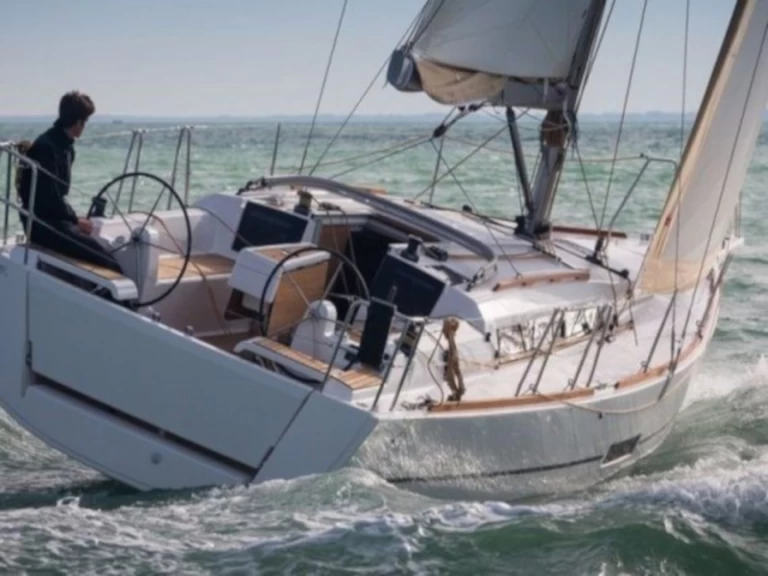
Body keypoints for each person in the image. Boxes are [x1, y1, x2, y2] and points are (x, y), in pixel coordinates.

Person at [17, 91, 123, 273]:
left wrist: (73, 219)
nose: (85, 126)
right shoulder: (46, 148)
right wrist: (75, 220)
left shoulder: (65, 145)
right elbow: (49, 199)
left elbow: (56, 198)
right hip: (42, 225)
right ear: (77, 122)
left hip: (55, 218)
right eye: (85, 122)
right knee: (108, 262)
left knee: (106, 249)